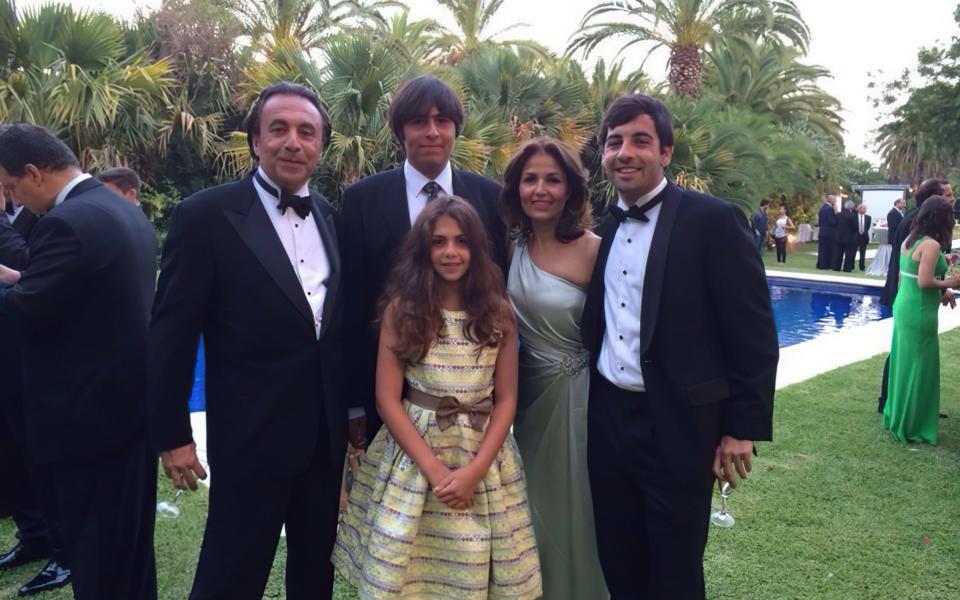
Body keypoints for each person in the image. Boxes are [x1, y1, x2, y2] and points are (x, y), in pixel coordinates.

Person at [149, 81, 347, 599]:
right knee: (230, 578)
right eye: (277, 128)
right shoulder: (205, 215)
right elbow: (171, 333)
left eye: (307, 132)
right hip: (251, 438)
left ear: (320, 144)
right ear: (255, 141)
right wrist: (172, 435)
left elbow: (330, 334)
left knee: (314, 576)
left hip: (323, 446)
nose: (293, 142)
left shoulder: (329, 216)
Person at [579, 94, 778, 599]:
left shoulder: (712, 221)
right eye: (614, 142)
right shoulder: (605, 228)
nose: (625, 152)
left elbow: (752, 331)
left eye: (640, 141)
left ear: (665, 152)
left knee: (675, 571)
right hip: (608, 422)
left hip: (680, 426)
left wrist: (740, 428)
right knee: (618, 560)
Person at [332, 196, 542, 599]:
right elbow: (386, 400)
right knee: (414, 571)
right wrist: (434, 470)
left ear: (477, 249)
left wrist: (474, 472)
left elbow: (507, 400)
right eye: (438, 241)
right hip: (415, 456)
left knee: (473, 562)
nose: (450, 252)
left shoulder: (498, 312)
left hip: (482, 458)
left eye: (461, 241)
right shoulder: (402, 311)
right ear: (422, 250)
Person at [0, 123, 158, 599]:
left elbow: (27, 310)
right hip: (129, 415)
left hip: (87, 426)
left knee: (99, 565)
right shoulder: (118, 208)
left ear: (33, 172)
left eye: (11, 189)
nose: (15, 201)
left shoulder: (63, 223)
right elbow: (66, 288)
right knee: (131, 557)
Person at [340, 74, 508, 448]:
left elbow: (498, 290)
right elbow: (350, 303)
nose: (432, 131)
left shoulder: (491, 199)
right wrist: (354, 403)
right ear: (401, 131)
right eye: (419, 122)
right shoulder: (361, 201)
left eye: (442, 121)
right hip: (384, 392)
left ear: (455, 130)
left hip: (471, 400)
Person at [499, 137, 606, 600]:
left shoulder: (595, 250)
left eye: (552, 179)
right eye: (530, 179)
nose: (539, 189)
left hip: (575, 403)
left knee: (573, 506)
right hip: (521, 399)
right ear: (516, 189)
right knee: (524, 504)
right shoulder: (511, 247)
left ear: (570, 190)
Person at [0, 185, 71, 596]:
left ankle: (64, 551)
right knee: (9, 455)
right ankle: (34, 534)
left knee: (39, 456)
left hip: (28, 362)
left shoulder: (46, 216)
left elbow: (29, 266)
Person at [883, 197, 960, 444]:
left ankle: (897, 415)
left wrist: (944, 266)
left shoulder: (911, 239)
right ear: (942, 218)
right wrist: (952, 283)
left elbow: (913, 271)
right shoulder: (932, 245)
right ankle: (912, 424)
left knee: (904, 363)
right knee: (920, 367)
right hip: (919, 311)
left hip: (906, 304)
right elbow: (924, 281)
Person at [816, 195, 837, 269]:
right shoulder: (830, 209)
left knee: (822, 249)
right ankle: (826, 265)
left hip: (822, 232)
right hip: (829, 232)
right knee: (828, 249)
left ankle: (820, 264)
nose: (835, 201)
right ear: (830, 200)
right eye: (835, 200)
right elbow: (831, 221)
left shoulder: (822, 208)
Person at [855, 203, 873, 271]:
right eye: (863, 208)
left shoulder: (868, 217)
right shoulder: (854, 216)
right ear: (859, 209)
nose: (864, 210)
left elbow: (867, 227)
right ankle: (851, 265)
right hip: (856, 236)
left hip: (864, 237)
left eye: (865, 209)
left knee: (863, 253)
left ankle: (862, 266)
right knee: (853, 252)